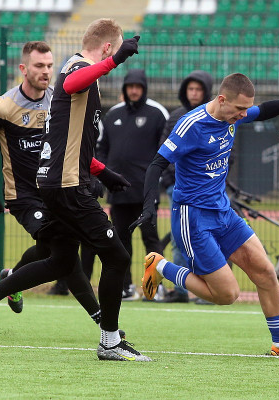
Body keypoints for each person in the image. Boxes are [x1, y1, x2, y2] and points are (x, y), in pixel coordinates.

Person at [0, 19, 150, 362]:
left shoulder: (68, 81)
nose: (47, 71)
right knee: (118, 257)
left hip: (57, 183)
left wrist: (105, 173)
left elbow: (67, 140)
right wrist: (115, 61)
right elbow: (74, 81)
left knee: (61, 260)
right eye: (116, 49)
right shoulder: (78, 68)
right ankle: (109, 342)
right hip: (66, 186)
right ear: (109, 47)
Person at [132, 73, 279, 357]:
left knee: (266, 272)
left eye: (246, 109)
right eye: (240, 109)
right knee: (227, 295)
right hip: (193, 218)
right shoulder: (191, 125)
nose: (244, 115)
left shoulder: (234, 115)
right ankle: (161, 267)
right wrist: (149, 206)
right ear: (222, 100)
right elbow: (156, 165)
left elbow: (263, 111)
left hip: (223, 212)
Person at [0, 41, 107, 325]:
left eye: (50, 66)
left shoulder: (59, 100)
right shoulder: (3, 106)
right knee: (66, 257)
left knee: (49, 252)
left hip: (57, 192)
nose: (46, 71)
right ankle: (103, 322)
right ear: (23, 68)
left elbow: (73, 144)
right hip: (24, 198)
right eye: (39, 66)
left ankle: (10, 278)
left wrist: (92, 176)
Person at [96, 68, 168, 300]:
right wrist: (103, 176)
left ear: (144, 88)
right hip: (118, 191)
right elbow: (101, 148)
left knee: (150, 239)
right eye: (130, 87)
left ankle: (155, 288)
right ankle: (125, 287)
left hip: (146, 191)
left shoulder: (158, 113)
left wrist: (158, 180)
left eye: (138, 87)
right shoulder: (112, 114)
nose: (134, 90)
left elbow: (166, 149)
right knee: (120, 241)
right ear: (125, 89)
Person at [158, 70, 213, 303]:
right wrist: (170, 181)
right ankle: (180, 291)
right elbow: (163, 152)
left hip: (207, 192)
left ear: (206, 92)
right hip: (178, 189)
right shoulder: (175, 117)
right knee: (179, 239)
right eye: (190, 89)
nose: (194, 93)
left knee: (206, 239)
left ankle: (209, 291)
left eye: (199, 89)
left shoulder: (215, 118)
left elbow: (226, 154)